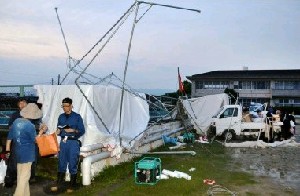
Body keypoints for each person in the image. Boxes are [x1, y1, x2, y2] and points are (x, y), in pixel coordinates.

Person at [5, 103, 47, 196]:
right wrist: (41, 131)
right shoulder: (30, 125)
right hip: (27, 154)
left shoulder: (16, 122)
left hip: (17, 152)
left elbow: (9, 138)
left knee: (21, 176)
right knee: (24, 177)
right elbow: (36, 140)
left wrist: (7, 151)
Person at [51, 97, 85, 193]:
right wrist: (57, 131)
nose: (64, 108)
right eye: (63, 106)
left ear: (71, 106)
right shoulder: (61, 117)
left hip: (73, 142)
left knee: (72, 162)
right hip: (63, 142)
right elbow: (58, 128)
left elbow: (82, 130)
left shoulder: (77, 117)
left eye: (66, 106)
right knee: (61, 162)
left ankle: (72, 184)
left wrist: (73, 130)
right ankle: (59, 183)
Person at [4, 98, 28, 188]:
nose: (22, 105)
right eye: (20, 103)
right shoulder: (15, 115)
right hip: (16, 141)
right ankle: (9, 180)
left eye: (24, 103)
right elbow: (10, 127)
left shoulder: (31, 114)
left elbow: (37, 125)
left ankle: (23, 181)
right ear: (18, 105)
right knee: (13, 163)